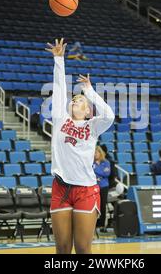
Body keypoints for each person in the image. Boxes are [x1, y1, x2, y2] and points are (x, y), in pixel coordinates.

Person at [45, 38, 114, 254]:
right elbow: (59, 89)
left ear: (88, 111)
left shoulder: (93, 126)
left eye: (81, 101)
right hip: (61, 187)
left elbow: (110, 115)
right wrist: (59, 59)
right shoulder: (60, 119)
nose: (76, 100)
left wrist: (90, 91)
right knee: (62, 249)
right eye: (74, 99)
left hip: (86, 189)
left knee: (83, 249)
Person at [93, 146, 111, 232]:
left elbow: (107, 173)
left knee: (103, 205)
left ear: (100, 153)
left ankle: (102, 225)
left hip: (104, 186)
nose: (95, 154)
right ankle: (93, 224)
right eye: (94, 153)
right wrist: (100, 174)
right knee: (94, 206)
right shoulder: (91, 163)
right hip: (94, 187)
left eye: (96, 152)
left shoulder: (106, 162)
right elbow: (91, 173)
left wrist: (96, 170)